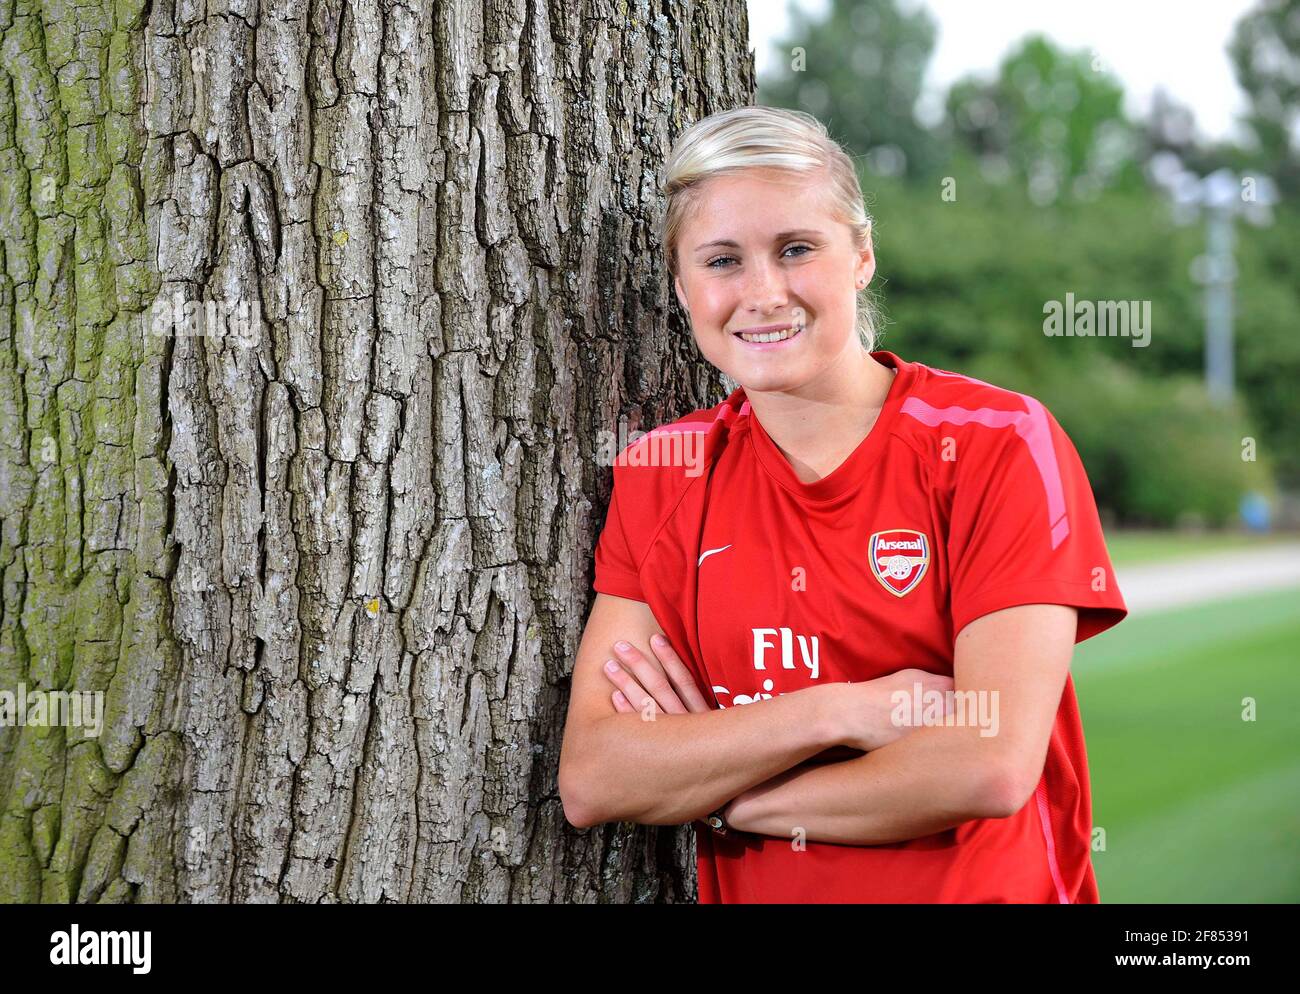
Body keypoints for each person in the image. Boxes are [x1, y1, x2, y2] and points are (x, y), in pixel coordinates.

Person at [557, 105, 1128, 903]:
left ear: (860, 254)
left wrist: (721, 800)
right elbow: (597, 776)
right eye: (721, 260)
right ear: (681, 284)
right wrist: (840, 711)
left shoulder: (997, 441)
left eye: (796, 249)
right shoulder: (666, 469)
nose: (762, 293)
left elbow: (987, 764)